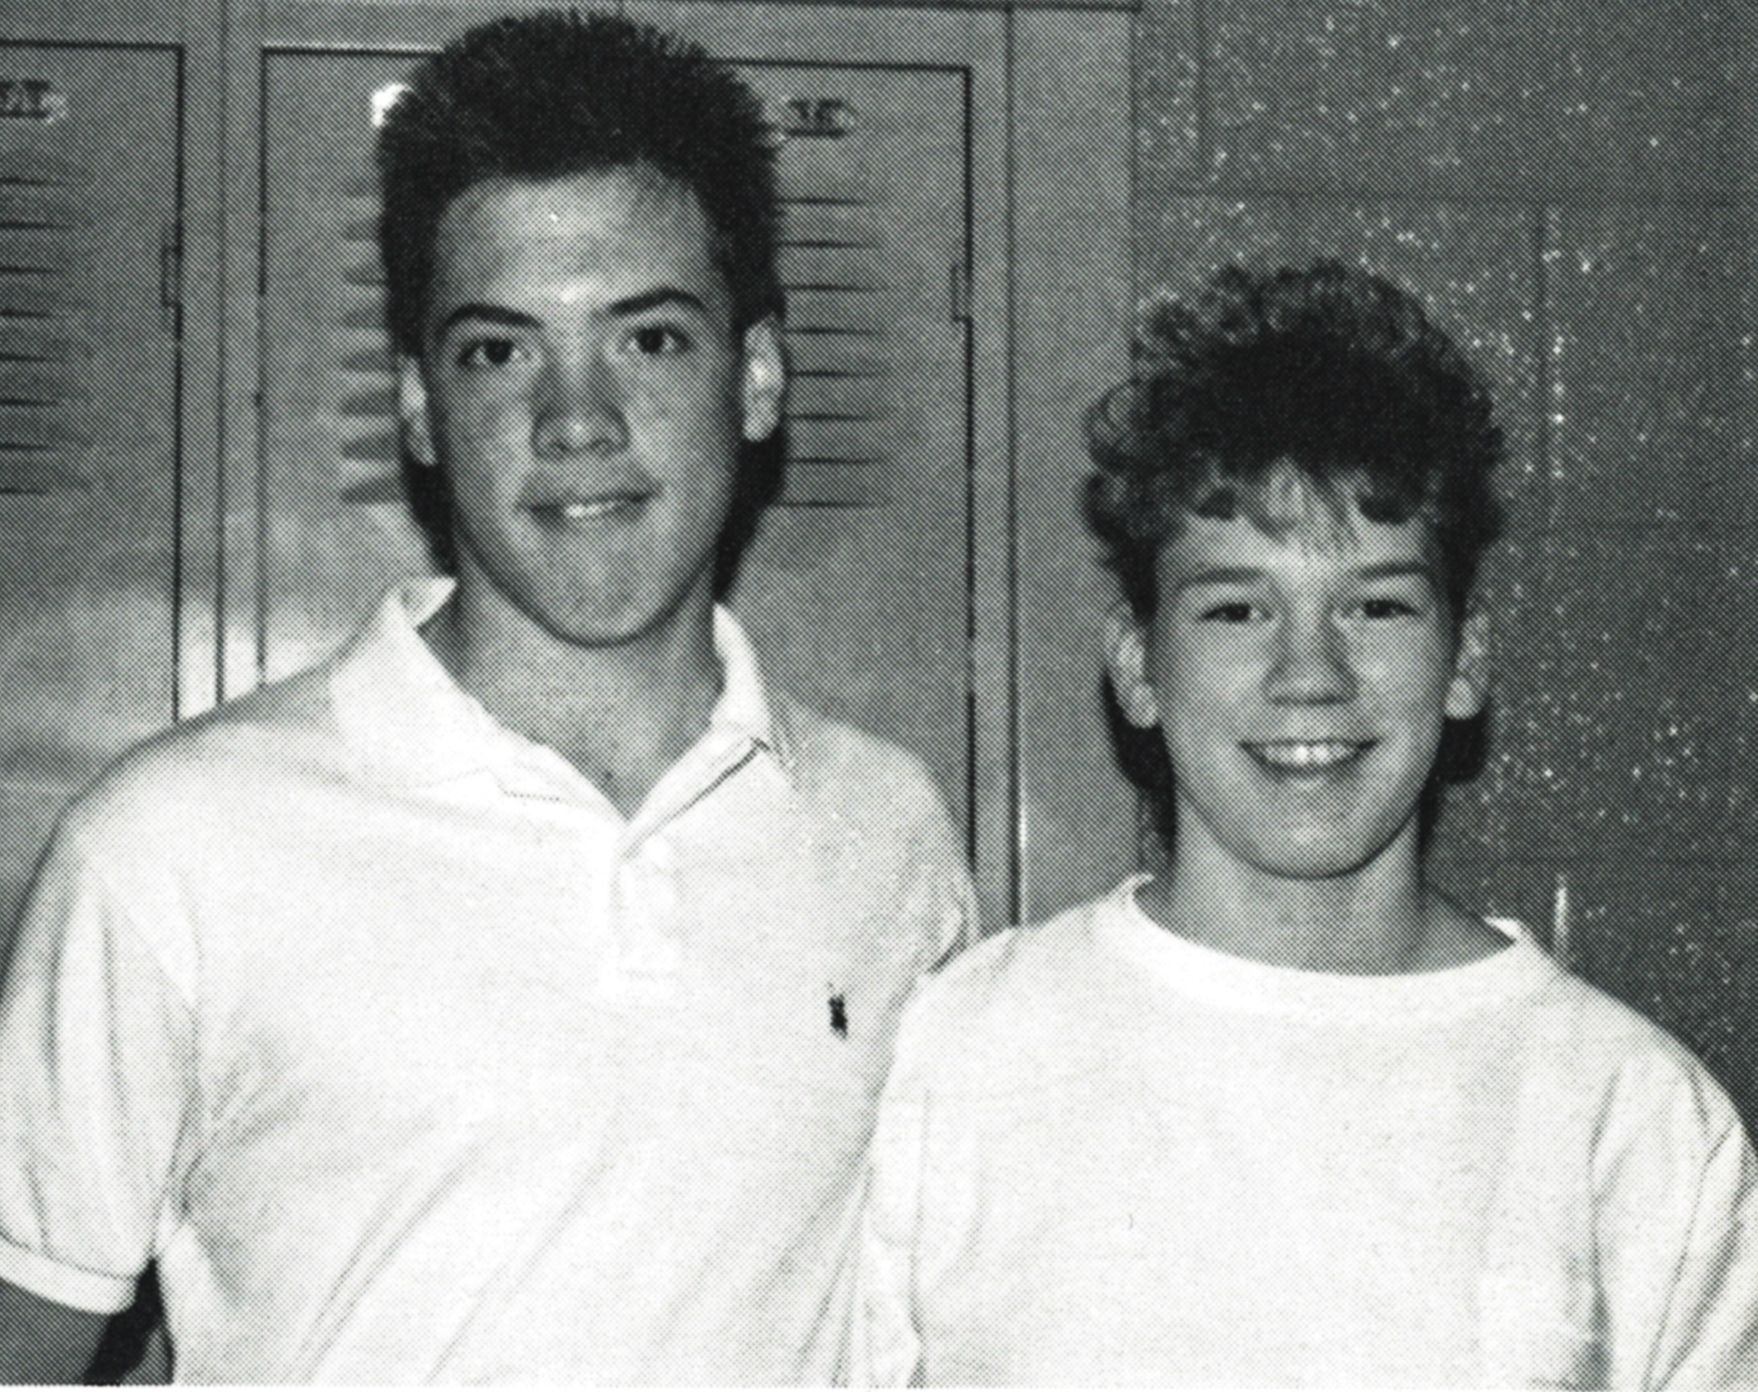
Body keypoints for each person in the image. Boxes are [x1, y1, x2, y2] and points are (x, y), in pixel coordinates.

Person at [0, 12, 970, 1382]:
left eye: (648, 340)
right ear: (414, 407)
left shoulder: (890, 835)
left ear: (755, 379)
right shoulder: (169, 851)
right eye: (499, 351)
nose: (576, 421)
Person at [850, 261, 1758, 1387]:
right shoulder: (961, 1051)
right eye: (1237, 609)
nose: (1310, 674)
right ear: (1138, 665)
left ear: (1464, 659)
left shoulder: (1634, 1121)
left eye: (1375, 605)